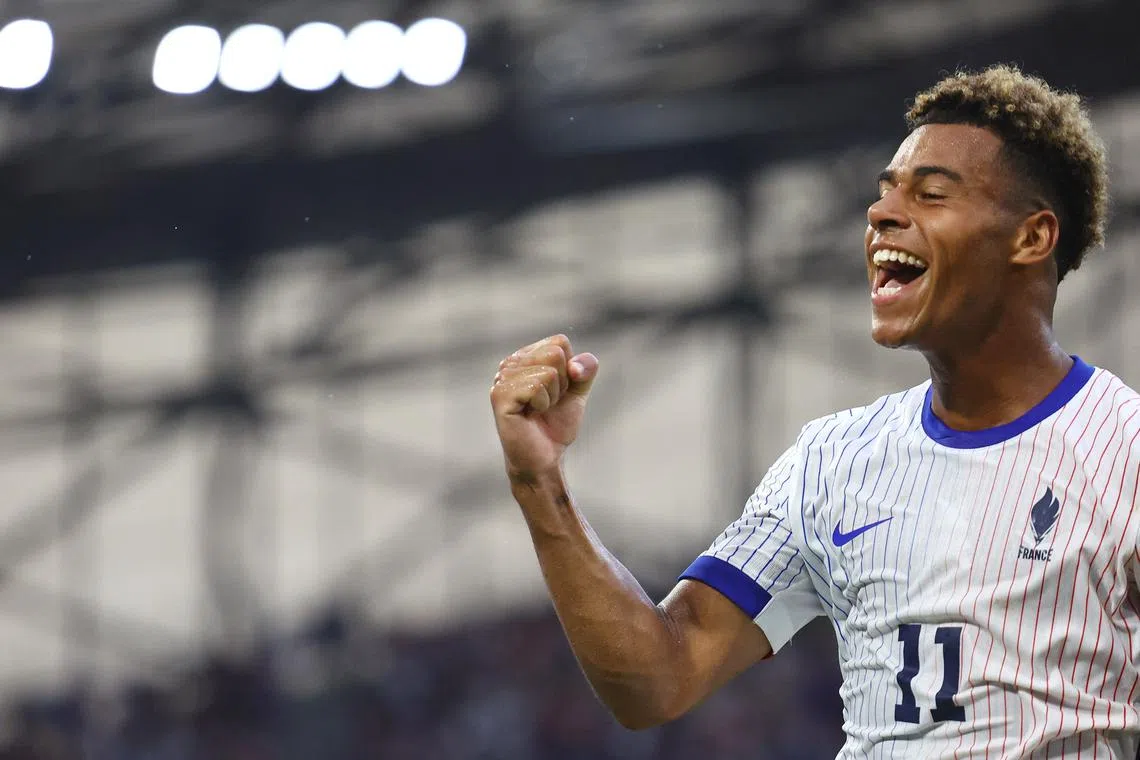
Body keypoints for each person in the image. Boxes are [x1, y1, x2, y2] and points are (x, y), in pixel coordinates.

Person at [489, 64, 1140, 757]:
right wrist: (539, 481)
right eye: (886, 194)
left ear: (1031, 238)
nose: (883, 214)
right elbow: (658, 678)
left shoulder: (1122, 452)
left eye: (931, 194)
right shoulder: (830, 462)